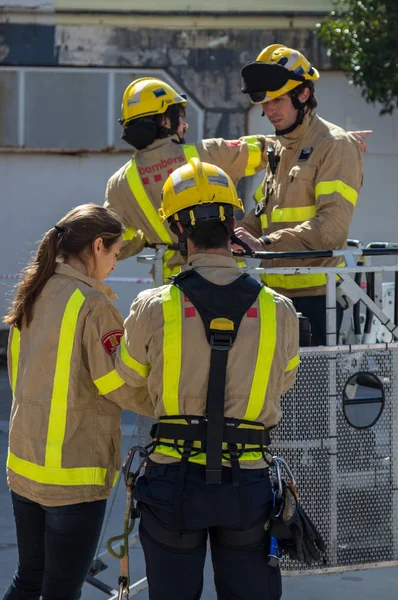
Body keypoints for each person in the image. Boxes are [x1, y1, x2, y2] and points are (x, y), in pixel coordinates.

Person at [115, 158, 300, 600]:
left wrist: (173, 403)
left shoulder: (153, 306)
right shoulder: (280, 310)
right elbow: (282, 384)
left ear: (179, 228)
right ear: (234, 222)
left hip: (171, 481)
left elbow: (126, 381)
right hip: (248, 482)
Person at [104, 77, 369, 283]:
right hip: (227, 283)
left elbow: (122, 245)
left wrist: (153, 236)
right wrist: (333, 138)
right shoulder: (205, 154)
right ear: (164, 119)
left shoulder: (119, 184)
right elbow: (267, 148)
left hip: (170, 287)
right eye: (180, 117)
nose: (184, 125)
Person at [3, 204, 138, 600]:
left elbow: (18, 373)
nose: (114, 264)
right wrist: (173, 402)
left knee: (29, 579)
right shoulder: (94, 306)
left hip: (25, 466)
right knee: (62, 590)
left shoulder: (34, 289)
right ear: (98, 246)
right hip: (74, 475)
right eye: (114, 253)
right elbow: (119, 383)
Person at [234, 44, 365, 345]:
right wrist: (231, 234)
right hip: (273, 295)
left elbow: (331, 229)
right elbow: (263, 215)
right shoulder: (280, 148)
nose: (269, 111)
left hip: (319, 299)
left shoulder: (335, 146)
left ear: (303, 95)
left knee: (312, 392)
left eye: (278, 100)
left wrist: (264, 243)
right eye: (265, 103)